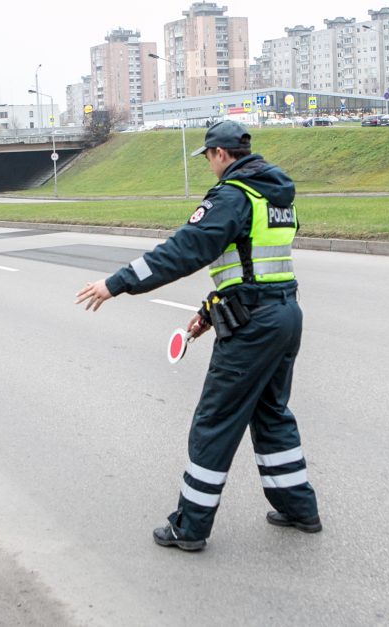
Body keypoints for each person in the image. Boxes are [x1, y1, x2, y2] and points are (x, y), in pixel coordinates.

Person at [75, 120, 320, 551]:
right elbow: (253, 269)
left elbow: (183, 250)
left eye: (208, 157)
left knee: (214, 423)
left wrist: (117, 283)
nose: (208, 164)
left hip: (254, 326)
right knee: (271, 413)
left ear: (221, 154)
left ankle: (190, 527)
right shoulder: (276, 195)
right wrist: (211, 310)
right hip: (285, 315)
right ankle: (299, 508)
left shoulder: (232, 196)